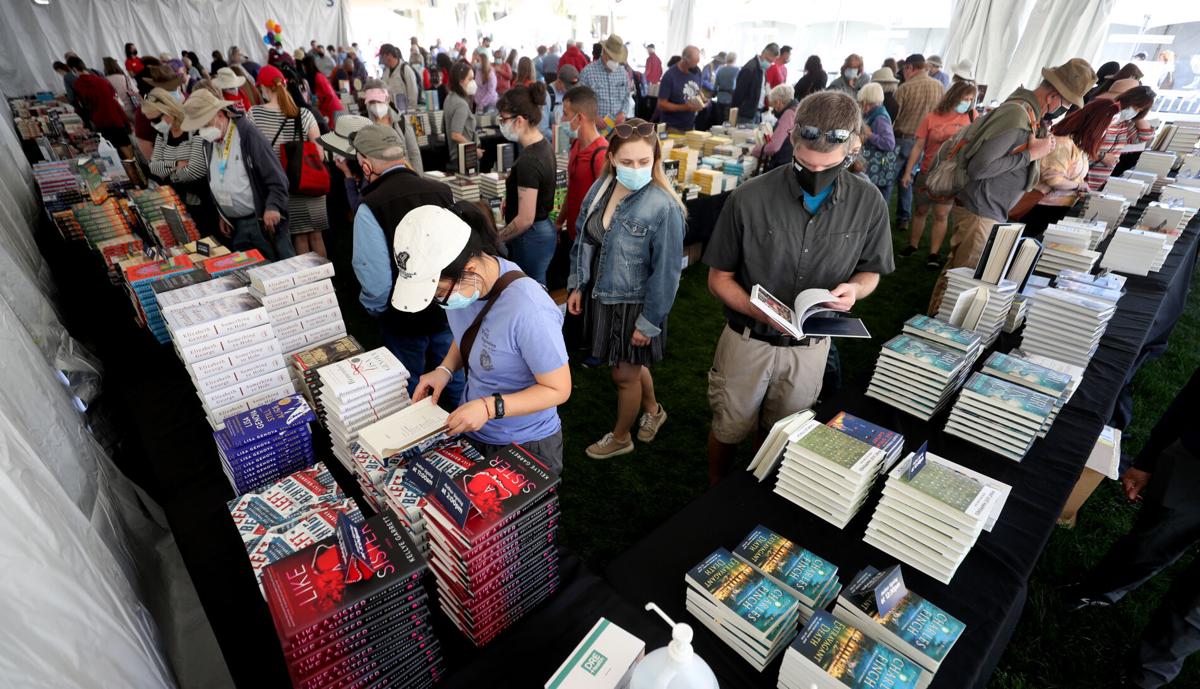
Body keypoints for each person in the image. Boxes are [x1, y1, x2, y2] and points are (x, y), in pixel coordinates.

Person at [703, 90, 894, 484]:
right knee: (727, 428)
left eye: (829, 165)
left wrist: (855, 290)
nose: (815, 173)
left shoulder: (869, 202)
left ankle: (754, 489)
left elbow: (871, 272)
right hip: (747, 340)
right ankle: (715, 490)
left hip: (810, 350)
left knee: (781, 434)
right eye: (805, 163)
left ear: (853, 148)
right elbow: (718, 278)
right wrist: (755, 309)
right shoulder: (748, 197)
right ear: (791, 140)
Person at [398, 201, 571, 472]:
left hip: (525, 442)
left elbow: (558, 388)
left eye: (439, 293)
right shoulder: (467, 289)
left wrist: (490, 408)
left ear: (471, 270)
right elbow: (470, 333)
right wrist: (444, 369)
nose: (439, 302)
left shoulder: (530, 308)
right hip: (476, 427)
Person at [1064, 369, 1200, 689]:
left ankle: (1146, 677)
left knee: (1196, 608)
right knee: (1152, 539)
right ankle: (1097, 591)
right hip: (1195, 461)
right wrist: (1150, 456)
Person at [927, 58, 1095, 314]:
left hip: (985, 209)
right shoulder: (1018, 114)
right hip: (981, 211)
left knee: (957, 276)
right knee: (959, 284)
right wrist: (1032, 155)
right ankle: (933, 332)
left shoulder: (1024, 112)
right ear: (1053, 96)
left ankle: (933, 326)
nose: (1067, 110)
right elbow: (980, 168)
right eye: (1068, 104)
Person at [566, 118, 686, 459]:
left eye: (644, 162)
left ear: (656, 160)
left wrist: (649, 322)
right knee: (630, 364)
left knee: (623, 375)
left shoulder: (664, 207)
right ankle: (653, 410)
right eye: (627, 162)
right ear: (612, 159)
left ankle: (621, 437)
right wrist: (577, 285)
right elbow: (584, 239)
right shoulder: (602, 187)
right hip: (602, 297)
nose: (636, 169)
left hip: (636, 306)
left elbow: (667, 274)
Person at [348, 125, 466, 407]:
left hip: (402, 317)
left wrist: (378, 311)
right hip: (444, 306)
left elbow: (375, 278)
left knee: (409, 384)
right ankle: (467, 431)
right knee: (452, 374)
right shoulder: (441, 191)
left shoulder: (370, 206)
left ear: (365, 164)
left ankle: (418, 440)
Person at [181, 90, 293, 260]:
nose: (202, 131)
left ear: (219, 115)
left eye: (205, 124)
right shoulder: (210, 142)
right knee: (251, 274)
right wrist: (223, 212)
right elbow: (218, 178)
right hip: (236, 225)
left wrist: (273, 206)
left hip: (261, 221)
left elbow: (277, 178)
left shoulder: (248, 135)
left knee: (280, 269)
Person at [249, 65, 329, 258]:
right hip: (312, 184)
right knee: (317, 238)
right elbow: (320, 155)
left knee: (300, 238)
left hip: (284, 185)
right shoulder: (305, 114)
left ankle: (309, 286)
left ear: (265, 88)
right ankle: (328, 285)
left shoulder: (254, 115)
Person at [899, 81, 977, 265]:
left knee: (942, 214)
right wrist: (908, 172)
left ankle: (933, 254)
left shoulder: (972, 117)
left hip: (949, 176)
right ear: (953, 97)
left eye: (970, 99)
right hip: (927, 171)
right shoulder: (932, 117)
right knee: (920, 210)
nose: (967, 102)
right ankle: (913, 245)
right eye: (964, 98)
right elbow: (919, 146)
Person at [1010, 100, 1106, 237]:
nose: (1105, 134)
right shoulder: (1064, 144)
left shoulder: (1078, 146)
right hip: (1042, 206)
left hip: (1055, 206)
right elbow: (1054, 180)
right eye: (1105, 128)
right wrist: (1078, 186)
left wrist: (1079, 187)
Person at [496, 84, 557, 285]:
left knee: (529, 288)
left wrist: (498, 237)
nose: (501, 124)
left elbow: (525, 219)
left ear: (519, 120)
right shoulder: (544, 145)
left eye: (503, 119)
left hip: (531, 237)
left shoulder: (529, 161)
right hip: (540, 232)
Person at [141, 88, 212, 228]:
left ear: (169, 110)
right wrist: (177, 163)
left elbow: (196, 170)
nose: (154, 125)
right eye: (150, 121)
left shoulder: (194, 128)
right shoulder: (163, 134)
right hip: (178, 202)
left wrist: (168, 171)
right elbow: (154, 168)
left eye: (156, 119)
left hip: (204, 203)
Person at [892, 54, 945, 234]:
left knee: (888, 180)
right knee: (908, 179)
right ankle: (904, 218)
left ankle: (878, 215)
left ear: (909, 68)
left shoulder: (904, 88)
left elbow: (894, 117)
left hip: (902, 138)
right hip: (923, 141)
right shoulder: (939, 87)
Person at [559, 86, 609, 243]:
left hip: (590, 242)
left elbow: (607, 206)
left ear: (579, 118)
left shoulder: (601, 154)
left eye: (565, 114)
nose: (561, 119)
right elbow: (572, 188)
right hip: (575, 235)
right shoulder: (575, 145)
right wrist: (559, 221)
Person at [1085, 85, 1156, 190]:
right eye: (1135, 108)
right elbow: (1078, 144)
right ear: (1128, 100)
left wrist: (1138, 116)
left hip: (1097, 184)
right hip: (1082, 177)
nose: (1135, 112)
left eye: (1140, 110)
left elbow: (1145, 136)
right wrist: (1102, 156)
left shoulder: (1123, 124)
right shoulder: (1103, 117)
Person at [69, 57, 134, 158]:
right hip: (115, 116)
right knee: (125, 144)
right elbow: (114, 98)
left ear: (74, 69)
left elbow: (82, 106)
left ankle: (131, 170)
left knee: (115, 150)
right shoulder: (101, 80)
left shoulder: (78, 85)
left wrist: (86, 121)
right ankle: (136, 170)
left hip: (101, 120)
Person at [361, 79, 424, 175]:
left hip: (406, 175)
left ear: (388, 99)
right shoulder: (364, 125)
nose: (376, 105)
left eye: (379, 101)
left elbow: (414, 152)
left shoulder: (401, 122)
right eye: (372, 102)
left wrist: (419, 178)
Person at [856, 82, 898, 202]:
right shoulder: (876, 114)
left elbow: (889, 143)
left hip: (877, 167)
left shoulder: (879, 118)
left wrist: (870, 135)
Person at [580, 34, 632, 124]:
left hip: (617, 129)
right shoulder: (588, 72)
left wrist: (623, 112)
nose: (615, 62)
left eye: (617, 59)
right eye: (612, 58)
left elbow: (627, 97)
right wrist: (593, 117)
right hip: (595, 129)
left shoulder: (623, 73)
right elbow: (581, 100)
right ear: (604, 52)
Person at [656, 45, 705, 133]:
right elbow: (661, 104)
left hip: (690, 126)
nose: (695, 67)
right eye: (693, 64)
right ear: (684, 61)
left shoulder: (697, 71)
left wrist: (703, 99)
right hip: (672, 128)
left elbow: (698, 89)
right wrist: (685, 107)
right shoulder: (670, 76)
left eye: (697, 63)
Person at [752, 84, 799, 171]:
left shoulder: (788, 114)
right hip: (793, 162)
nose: (773, 109)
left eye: (773, 105)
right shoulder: (797, 109)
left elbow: (774, 147)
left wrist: (755, 150)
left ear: (778, 102)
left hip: (783, 165)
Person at [732, 43, 779, 125]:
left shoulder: (762, 69)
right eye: (770, 61)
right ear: (764, 54)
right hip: (746, 114)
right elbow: (739, 94)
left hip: (757, 112)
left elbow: (762, 89)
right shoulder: (750, 68)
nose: (770, 64)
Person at [444, 61, 478, 172]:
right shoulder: (461, 104)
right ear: (460, 81)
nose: (473, 82)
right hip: (463, 158)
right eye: (470, 79)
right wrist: (474, 150)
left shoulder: (449, 98)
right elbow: (455, 134)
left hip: (456, 155)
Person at [301, 54, 345, 125]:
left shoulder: (319, 77)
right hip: (330, 110)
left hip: (333, 110)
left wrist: (323, 110)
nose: (303, 69)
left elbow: (329, 95)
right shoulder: (315, 77)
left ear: (307, 66)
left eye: (304, 66)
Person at [379, 43, 421, 110]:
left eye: (382, 57)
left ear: (389, 55)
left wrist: (410, 113)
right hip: (391, 113)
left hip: (406, 113)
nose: (381, 60)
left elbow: (413, 94)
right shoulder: (385, 72)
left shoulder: (406, 70)